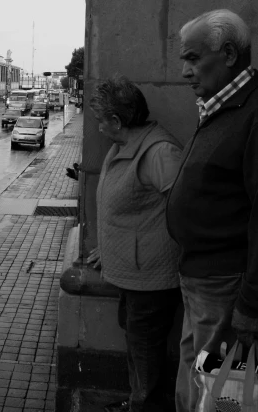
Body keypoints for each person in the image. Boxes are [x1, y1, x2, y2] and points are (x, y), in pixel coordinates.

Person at [167, 10, 258, 412]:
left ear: (228, 54)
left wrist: (252, 303)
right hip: (200, 275)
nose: (185, 71)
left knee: (213, 390)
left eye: (193, 59)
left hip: (225, 283)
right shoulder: (223, 104)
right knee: (196, 379)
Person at [87, 75, 184, 412]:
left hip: (151, 279)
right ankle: (138, 403)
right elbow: (130, 212)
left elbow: (187, 211)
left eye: (100, 120)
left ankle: (146, 407)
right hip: (134, 273)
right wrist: (110, 245)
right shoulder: (127, 145)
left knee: (144, 352)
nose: (98, 127)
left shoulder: (159, 152)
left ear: (116, 120)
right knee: (138, 345)